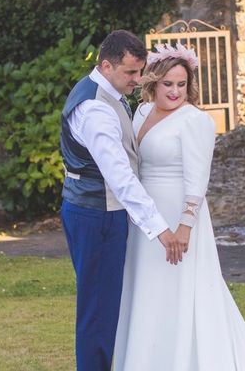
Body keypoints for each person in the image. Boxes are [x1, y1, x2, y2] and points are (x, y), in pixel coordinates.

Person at [113, 42, 245, 370]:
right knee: (145, 286)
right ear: (154, 83)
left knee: (178, 287)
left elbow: (197, 179)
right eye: (168, 84)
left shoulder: (195, 121)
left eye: (182, 84)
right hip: (145, 216)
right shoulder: (143, 111)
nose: (175, 91)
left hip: (178, 215)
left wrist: (184, 226)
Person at [59, 30, 184, 371]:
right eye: (131, 72)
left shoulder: (106, 92)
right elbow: (120, 178)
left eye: (140, 70)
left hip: (95, 211)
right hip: (97, 214)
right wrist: (160, 229)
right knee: (98, 310)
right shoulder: (95, 109)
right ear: (107, 65)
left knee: (105, 304)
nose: (138, 79)